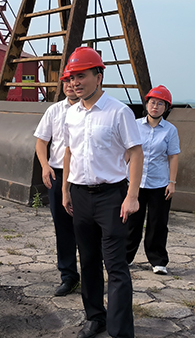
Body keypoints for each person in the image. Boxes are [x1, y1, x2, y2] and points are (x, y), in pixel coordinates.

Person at [61, 47, 143, 338]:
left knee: (116, 265)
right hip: (80, 195)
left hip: (111, 197)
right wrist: (65, 189)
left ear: (99, 76)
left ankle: (120, 331)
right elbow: (69, 152)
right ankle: (95, 317)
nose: (76, 82)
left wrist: (132, 196)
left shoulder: (118, 112)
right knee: (89, 260)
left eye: (81, 76)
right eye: (72, 77)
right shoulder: (71, 114)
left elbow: (136, 152)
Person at [34, 67, 80, 296]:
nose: (70, 85)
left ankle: (92, 275)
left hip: (83, 177)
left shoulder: (90, 111)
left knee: (87, 228)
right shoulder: (54, 110)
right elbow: (41, 142)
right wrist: (45, 165)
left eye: (74, 80)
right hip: (58, 174)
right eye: (66, 81)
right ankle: (68, 276)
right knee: (63, 228)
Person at [126, 85, 180, 275]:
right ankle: (125, 257)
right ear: (146, 104)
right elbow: (127, 152)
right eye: (152, 102)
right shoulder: (134, 125)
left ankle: (158, 261)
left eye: (160, 104)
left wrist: (172, 183)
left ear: (166, 108)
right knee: (131, 223)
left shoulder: (170, 130)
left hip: (159, 183)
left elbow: (173, 156)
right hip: (135, 183)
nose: (155, 107)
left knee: (157, 223)